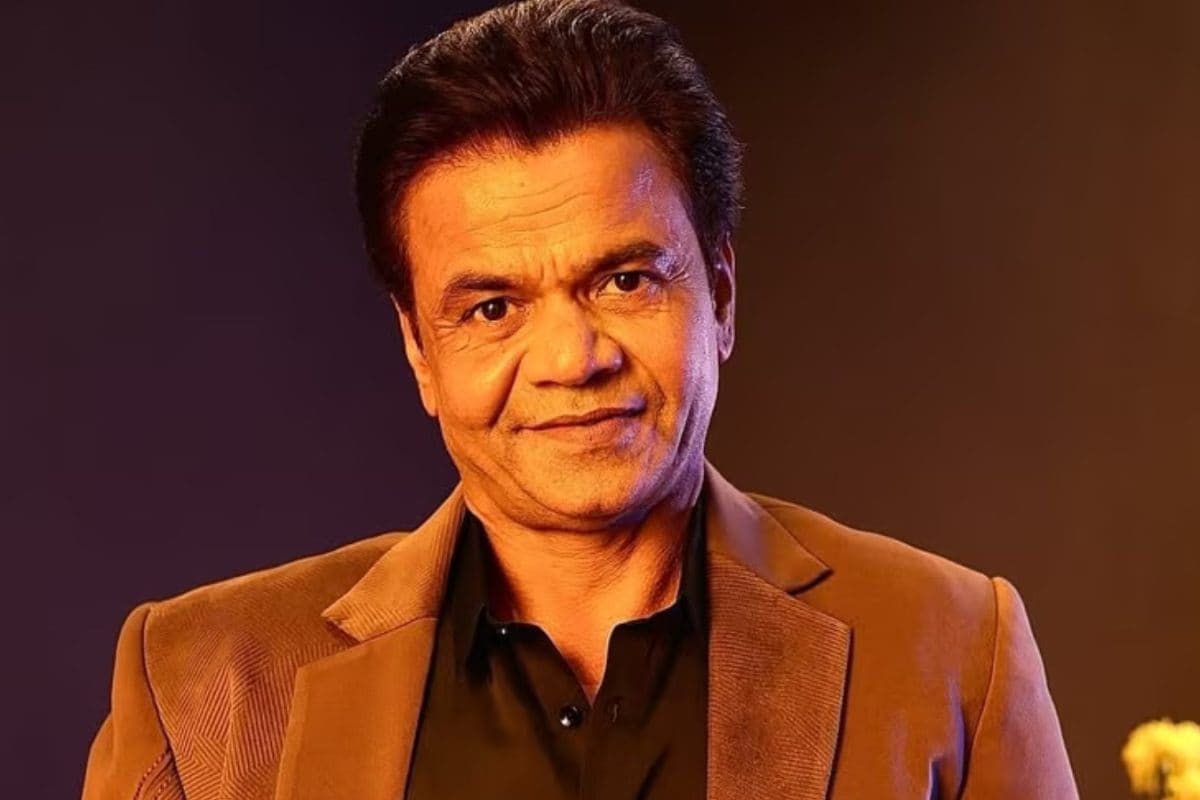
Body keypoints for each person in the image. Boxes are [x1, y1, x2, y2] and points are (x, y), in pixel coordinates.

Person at [81, 1, 1079, 798]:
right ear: (419, 348)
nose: (572, 357)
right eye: (492, 307)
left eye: (625, 281)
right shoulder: (204, 680)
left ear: (720, 293)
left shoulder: (950, 645)